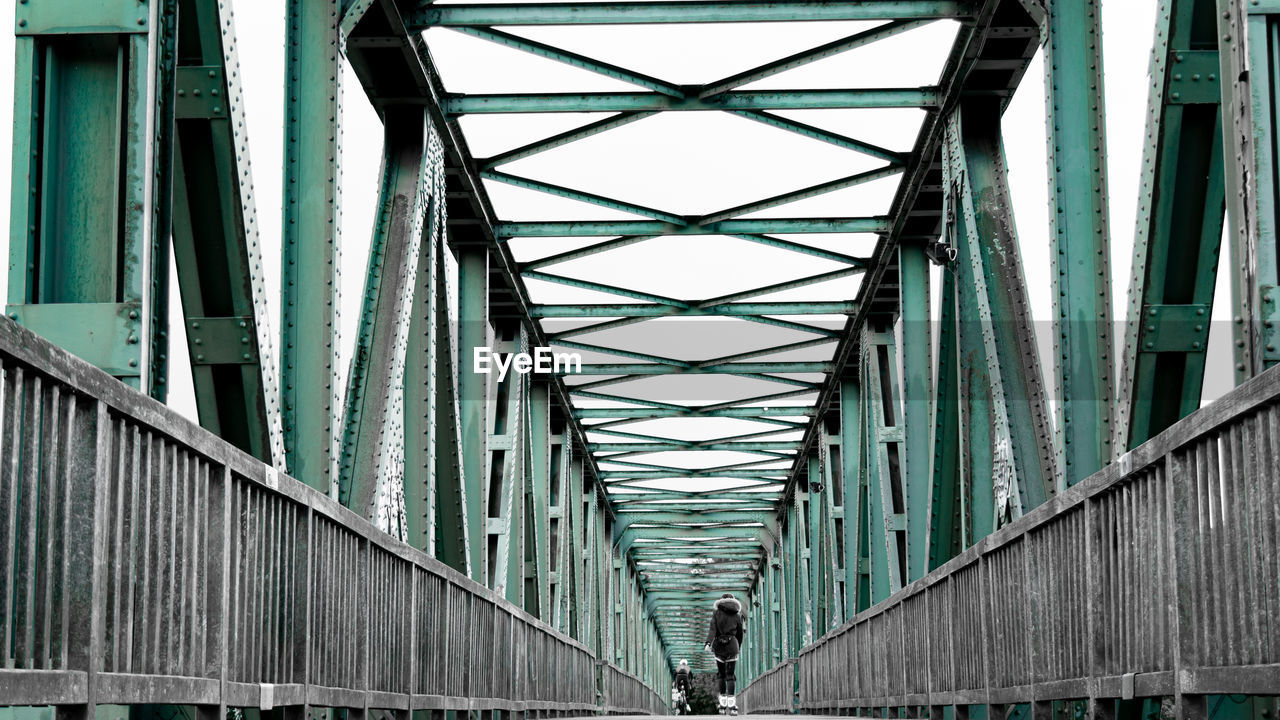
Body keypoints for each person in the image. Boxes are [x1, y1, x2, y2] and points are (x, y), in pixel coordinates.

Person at [704, 593, 745, 715]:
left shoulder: (716, 614)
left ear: (721, 601)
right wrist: (738, 646)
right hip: (733, 645)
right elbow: (740, 634)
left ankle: (722, 704)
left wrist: (708, 643)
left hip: (719, 646)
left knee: (721, 674)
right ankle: (732, 705)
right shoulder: (737, 615)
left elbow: (712, 630)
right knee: (730, 675)